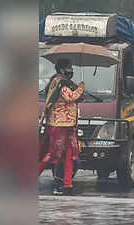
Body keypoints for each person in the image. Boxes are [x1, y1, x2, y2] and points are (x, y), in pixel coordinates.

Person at [38, 58, 85, 196]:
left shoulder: (61, 81)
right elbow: (69, 97)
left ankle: (67, 184)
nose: (71, 70)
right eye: (69, 68)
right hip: (59, 124)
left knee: (69, 155)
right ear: (62, 69)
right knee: (53, 154)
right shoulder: (60, 82)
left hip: (68, 124)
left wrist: (78, 89)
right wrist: (81, 88)